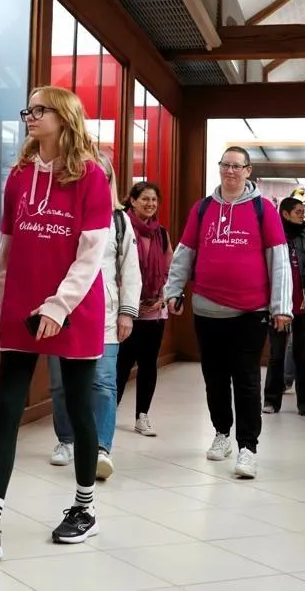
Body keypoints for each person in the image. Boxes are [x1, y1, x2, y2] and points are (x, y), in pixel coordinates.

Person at [0, 86, 111, 561]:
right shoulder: (20, 175)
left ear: (65, 117)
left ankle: (84, 509)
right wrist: (1, 307)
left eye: (40, 110)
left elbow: (91, 255)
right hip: (22, 305)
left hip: (74, 309)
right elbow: (6, 248)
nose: (30, 116)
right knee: (6, 409)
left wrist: (58, 307)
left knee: (79, 410)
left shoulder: (91, 176)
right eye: (29, 109)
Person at [163, 146, 292, 480]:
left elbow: (279, 258)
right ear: (219, 168)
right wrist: (173, 290)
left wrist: (282, 307)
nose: (230, 171)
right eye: (225, 165)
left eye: (237, 166)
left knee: (246, 377)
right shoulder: (203, 208)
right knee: (215, 377)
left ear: (248, 171)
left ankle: (248, 447)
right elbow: (185, 252)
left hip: (251, 310)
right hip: (207, 308)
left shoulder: (263, 209)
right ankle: (222, 433)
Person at [46, 154, 139, 478]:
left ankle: (101, 448)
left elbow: (130, 269)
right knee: (60, 384)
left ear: (109, 180)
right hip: (64, 310)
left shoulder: (119, 220)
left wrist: (127, 312)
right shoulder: (61, 212)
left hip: (105, 314)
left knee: (103, 382)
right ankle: (67, 440)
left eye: (102, 174)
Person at [117, 180, 176, 436]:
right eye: (145, 199)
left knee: (148, 365)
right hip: (125, 311)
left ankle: (142, 416)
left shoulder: (161, 233)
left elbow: (170, 268)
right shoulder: (121, 227)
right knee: (120, 366)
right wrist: (129, 302)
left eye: (154, 200)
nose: (150, 204)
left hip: (154, 312)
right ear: (132, 200)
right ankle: (109, 412)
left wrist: (164, 297)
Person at [264, 197, 305, 418]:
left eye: (303, 211)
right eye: (299, 212)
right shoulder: (274, 237)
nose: (303, 215)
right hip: (279, 305)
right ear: (286, 214)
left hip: (303, 303)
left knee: (301, 355)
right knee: (277, 354)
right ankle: (271, 401)